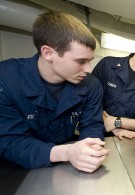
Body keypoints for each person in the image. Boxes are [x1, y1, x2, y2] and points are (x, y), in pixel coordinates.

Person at [0, 11, 109, 173]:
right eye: (81, 61)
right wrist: (66, 152)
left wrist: (91, 150)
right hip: (17, 167)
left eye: (90, 61)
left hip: (67, 164)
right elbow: (10, 141)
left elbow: (92, 124)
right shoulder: (6, 80)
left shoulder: (91, 85)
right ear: (48, 53)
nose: (89, 69)